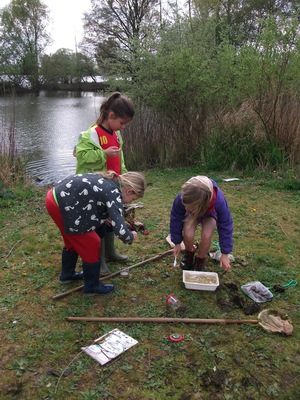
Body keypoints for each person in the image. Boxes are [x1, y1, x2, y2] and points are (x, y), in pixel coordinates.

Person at [45, 171, 146, 295]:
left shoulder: (112, 181)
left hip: (56, 198)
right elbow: (120, 229)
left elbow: (96, 203)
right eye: (132, 199)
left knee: (72, 240)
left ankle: (67, 275)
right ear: (129, 191)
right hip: (60, 203)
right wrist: (130, 236)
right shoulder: (113, 192)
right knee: (92, 242)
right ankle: (91, 287)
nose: (129, 202)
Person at [74, 92, 134, 274]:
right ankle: (98, 261)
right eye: (122, 123)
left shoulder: (116, 134)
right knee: (98, 222)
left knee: (110, 219)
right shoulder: (91, 134)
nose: (123, 127)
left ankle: (110, 252)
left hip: (112, 185)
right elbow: (81, 156)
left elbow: (120, 158)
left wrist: (123, 177)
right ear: (111, 116)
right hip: (95, 189)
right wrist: (103, 154)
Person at [170, 176, 233, 272]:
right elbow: (176, 219)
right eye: (185, 207)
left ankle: (200, 259)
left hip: (209, 214)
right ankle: (189, 253)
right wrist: (177, 243)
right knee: (188, 233)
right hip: (192, 214)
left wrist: (225, 253)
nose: (185, 209)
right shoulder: (183, 197)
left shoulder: (219, 200)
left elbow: (225, 225)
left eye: (189, 207)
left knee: (206, 235)